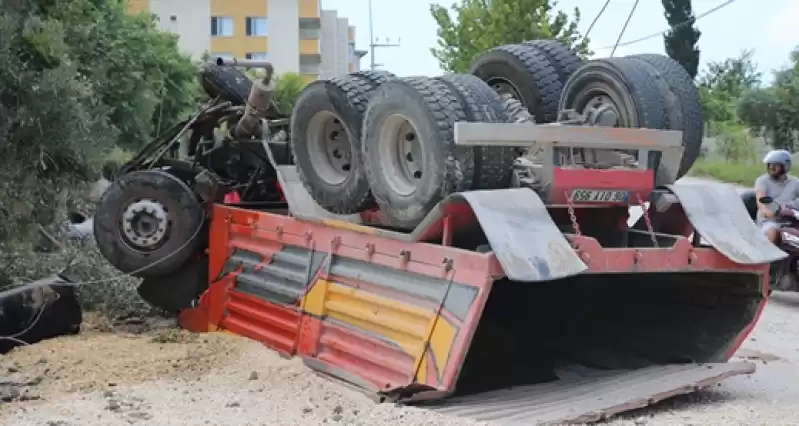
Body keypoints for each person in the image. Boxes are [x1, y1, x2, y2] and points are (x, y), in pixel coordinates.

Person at [754, 149, 799, 243]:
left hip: (791, 220)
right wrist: (766, 211)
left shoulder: (795, 182)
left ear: (785, 166)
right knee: (772, 232)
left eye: (775, 165)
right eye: (769, 164)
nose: (771, 167)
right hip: (769, 221)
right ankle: (768, 256)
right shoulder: (762, 181)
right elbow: (761, 199)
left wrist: (791, 208)